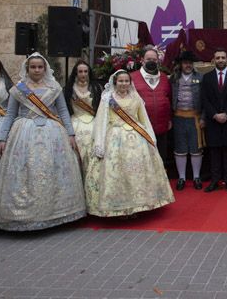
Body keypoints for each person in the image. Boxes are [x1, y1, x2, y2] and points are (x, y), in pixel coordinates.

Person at [0, 53, 85, 231]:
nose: (36, 70)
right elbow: (10, 114)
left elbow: (63, 112)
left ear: (45, 68)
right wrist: (2, 138)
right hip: (23, 133)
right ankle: (26, 215)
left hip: (52, 133)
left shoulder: (54, 87)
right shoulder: (19, 89)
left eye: (39, 67)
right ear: (27, 69)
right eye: (33, 67)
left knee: (53, 170)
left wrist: (71, 134)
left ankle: (55, 212)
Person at [86, 70, 174, 217]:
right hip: (115, 138)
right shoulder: (108, 98)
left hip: (137, 138)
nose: (124, 84)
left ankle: (139, 205)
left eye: (126, 81)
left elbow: (143, 118)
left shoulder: (136, 97)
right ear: (115, 82)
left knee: (137, 172)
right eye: (121, 81)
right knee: (117, 172)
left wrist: (151, 138)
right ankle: (119, 207)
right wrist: (99, 143)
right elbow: (101, 121)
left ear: (130, 82)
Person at [200, 48, 227, 193]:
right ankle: (215, 180)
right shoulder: (207, 77)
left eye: (223, 57)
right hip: (213, 121)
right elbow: (204, 99)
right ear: (213, 60)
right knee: (215, 152)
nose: (221, 60)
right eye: (218, 58)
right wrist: (215, 115)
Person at [131, 46, 172, 167]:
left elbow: (169, 98)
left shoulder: (164, 77)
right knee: (142, 160)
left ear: (158, 61)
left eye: (154, 59)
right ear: (142, 60)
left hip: (161, 127)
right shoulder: (132, 77)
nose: (151, 62)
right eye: (148, 59)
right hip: (141, 127)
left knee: (160, 160)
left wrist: (169, 118)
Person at [169, 50, 204, 190]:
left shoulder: (201, 78)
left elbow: (206, 100)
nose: (188, 65)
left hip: (195, 118)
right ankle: (182, 178)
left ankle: (196, 177)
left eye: (190, 63)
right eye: (185, 63)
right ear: (181, 64)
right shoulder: (173, 78)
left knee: (196, 149)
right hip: (178, 118)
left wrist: (203, 118)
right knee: (180, 148)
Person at [65, 60, 102, 173]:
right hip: (74, 121)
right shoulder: (69, 89)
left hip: (93, 121)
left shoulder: (96, 88)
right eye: (80, 71)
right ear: (76, 73)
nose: (83, 74)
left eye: (85, 71)